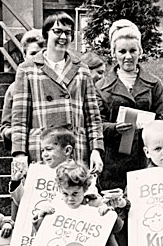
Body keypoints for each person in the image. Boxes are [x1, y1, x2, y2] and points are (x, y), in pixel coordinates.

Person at [96, 21, 163, 246]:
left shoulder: (153, 84)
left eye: (133, 50)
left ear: (141, 51)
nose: (128, 56)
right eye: (122, 51)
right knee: (121, 225)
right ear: (114, 53)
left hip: (143, 161)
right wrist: (115, 129)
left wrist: (149, 127)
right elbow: (94, 124)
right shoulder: (102, 86)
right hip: (114, 163)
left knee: (145, 221)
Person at [10, 12, 104, 175]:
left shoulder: (82, 69)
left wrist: (96, 149)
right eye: (57, 31)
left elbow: (93, 117)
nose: (63, 37)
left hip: (74, 148)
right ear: (46, 34)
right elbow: (19, 118)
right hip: (43, 148)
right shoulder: (27, 69)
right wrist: (19, 153)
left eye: (67, 33)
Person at [1, 29, 45, 151]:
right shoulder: (13, 89)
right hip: (27, 149)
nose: (38, 58)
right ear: (24, 56)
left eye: (42, 53)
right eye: (33, 53)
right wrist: (15, 131)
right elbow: (5, 126)